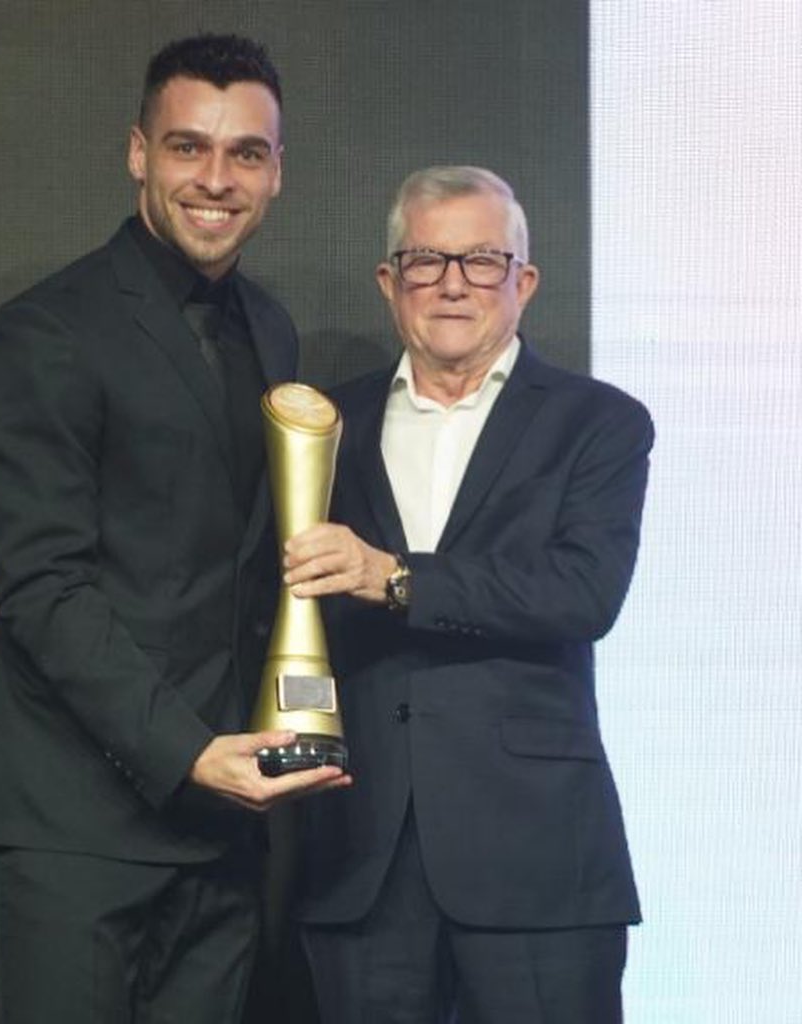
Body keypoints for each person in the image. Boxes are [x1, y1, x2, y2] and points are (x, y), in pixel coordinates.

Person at [0, 34, 348, 1024]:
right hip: (76, 821)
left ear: (277, 170)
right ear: (137, 153)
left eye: (245, 153)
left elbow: (246, 557)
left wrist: (264, 741)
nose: (215, 179)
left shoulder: (270, 327)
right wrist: (186, 751)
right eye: (186, 147)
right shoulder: (46, 329)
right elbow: (42, 583)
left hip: (221, 820)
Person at [283, 166, 652, 1023]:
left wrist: (397, 577)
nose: (453, 283)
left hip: (536, 863)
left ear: (523, 281)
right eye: (426, 260)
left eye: (482, 260)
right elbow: (236, 571)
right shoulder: (321, 428)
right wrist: (16, 581)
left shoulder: (599, 423)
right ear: (389, 281)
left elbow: (584, 591)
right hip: (359, 857)